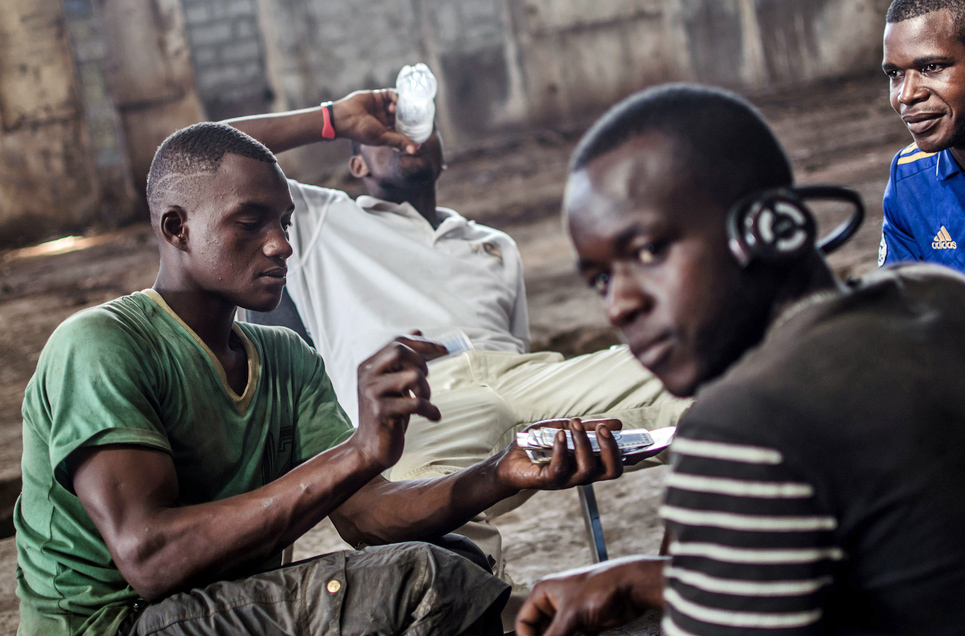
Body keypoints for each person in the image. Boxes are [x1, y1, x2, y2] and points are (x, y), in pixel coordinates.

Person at [13, 89, 629, 636]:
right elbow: (151, 561)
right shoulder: (100, 345)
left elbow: (369, 516)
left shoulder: (284, 359)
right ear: (176, 229)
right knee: (418, 578)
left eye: (282, 221)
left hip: (210, 607)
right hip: (120, 624)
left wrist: (502, 470)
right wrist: (360, 449)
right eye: (249, 223)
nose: (281, 242)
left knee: (450, 555)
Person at [515, 83, 965, 636]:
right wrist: (654, 577)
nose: (619, 305)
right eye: (601, 279)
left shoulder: (743, 425)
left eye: (647, 252)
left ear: (771, 226)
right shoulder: (944, 296)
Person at [225, 106, 691, 578]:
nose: (405, 135)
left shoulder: (495, 245)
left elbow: (518, 344)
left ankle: (694, 581)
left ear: (442, 155)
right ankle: (493, 610)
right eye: (384, 133)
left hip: (525, 379)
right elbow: (207, 150)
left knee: (699, 378)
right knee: (414, 521)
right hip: (414, 404)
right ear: (358, 166)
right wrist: (335, 118)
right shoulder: (318, 220)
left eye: (415, 127)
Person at [880, 0, 965, 293]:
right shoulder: (910, 178)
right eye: (895, 74)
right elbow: (900, 311)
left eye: (931, 67)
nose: (906, 95)